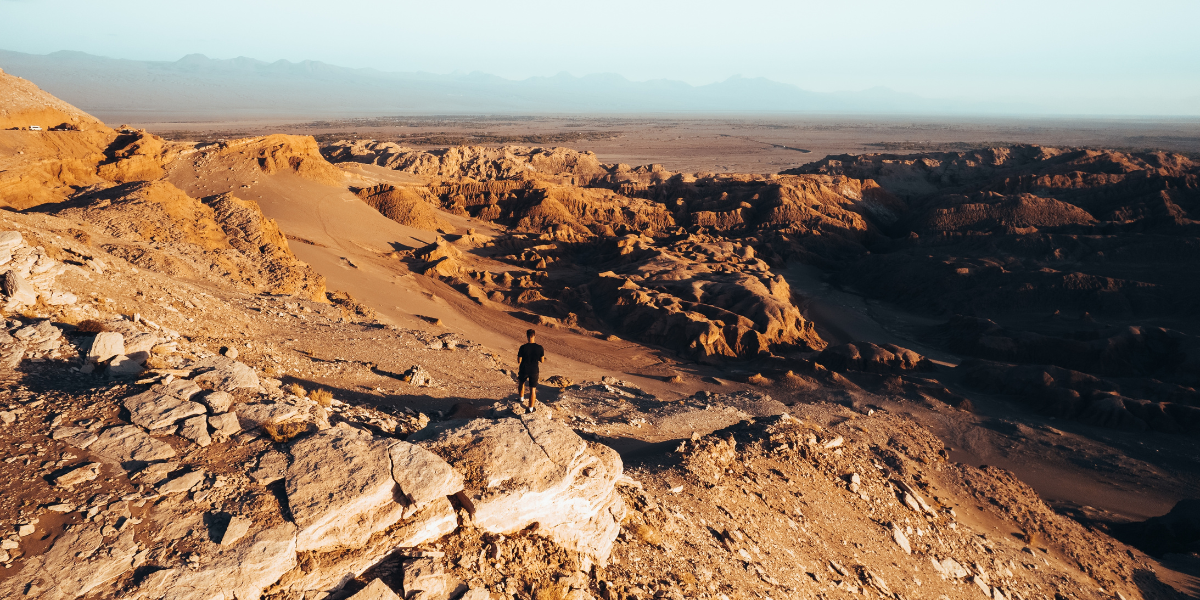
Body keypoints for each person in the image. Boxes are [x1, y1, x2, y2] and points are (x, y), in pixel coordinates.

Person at [516, 329, 545, 408]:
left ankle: (521, 399)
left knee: (521, 383)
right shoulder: (540, 348)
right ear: (534, 336)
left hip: (524, 369)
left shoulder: (523, 347)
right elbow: (542, 361)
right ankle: (530, 408)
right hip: (534, 370)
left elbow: (519, 361)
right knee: (532, 389)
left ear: (527, 336)